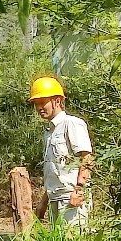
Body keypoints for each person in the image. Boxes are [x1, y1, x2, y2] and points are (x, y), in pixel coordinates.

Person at [29, 75, 94, 230]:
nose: (39, 107)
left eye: (42, 102)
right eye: (36, 104)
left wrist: (79, 191)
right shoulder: (49, 132)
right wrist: (43, 202)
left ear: (57, 101)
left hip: (71, 199)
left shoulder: (72, 123)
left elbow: (87, 159)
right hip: (55, 199)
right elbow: (54, 172)